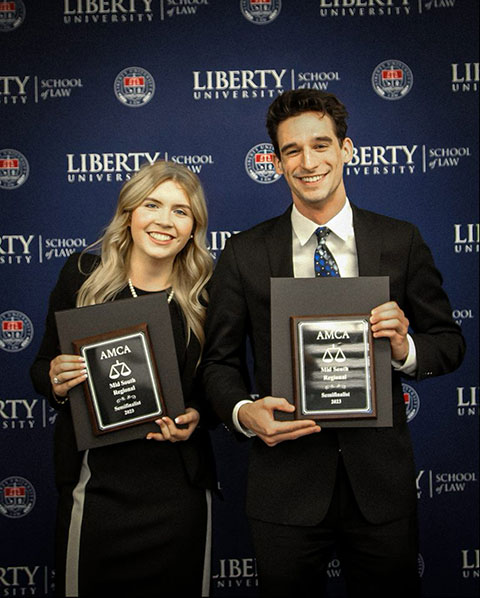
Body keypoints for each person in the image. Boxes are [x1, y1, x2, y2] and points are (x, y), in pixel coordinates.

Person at [201, 90, 465, 597]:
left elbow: (449, 344)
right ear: (277, 163)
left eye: (321, 145)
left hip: (380, 489)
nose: (308, 162)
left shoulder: (400, 241)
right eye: (292, 151)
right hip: (285, 488)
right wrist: (241, 411)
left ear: (346, 150)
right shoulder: (245, 252)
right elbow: (219, 363)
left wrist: (406, 347)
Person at [30, 160, 216, 597]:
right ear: (130, 212)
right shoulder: (81, 278)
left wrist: (198, 414)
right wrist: (56, 380)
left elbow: (221, 382)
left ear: (193, 228)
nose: (164, 221)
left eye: (181, 211)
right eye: (152, 204)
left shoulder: (208, 293)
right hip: (97, 491)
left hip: (179, 494)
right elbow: (41, 367)